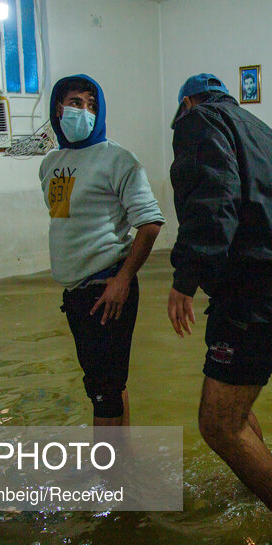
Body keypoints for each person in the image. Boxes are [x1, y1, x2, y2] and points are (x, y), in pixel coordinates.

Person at [167, 73, 272, 545]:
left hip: (251, 296)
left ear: (187, 102)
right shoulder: (264, 132)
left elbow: (213, 203)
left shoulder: (199, 121)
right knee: (234, 409)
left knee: (217, 423)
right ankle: (255, 484)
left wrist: (184, 280)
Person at [40, 74, 164, 426]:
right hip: (76, 292)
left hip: (107, 288)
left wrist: (123, 280)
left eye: (91, 105)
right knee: (108, 386)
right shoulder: (51, 164)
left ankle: (106, 478)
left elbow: (150, 223)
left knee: (103, 393)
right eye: (76, 103)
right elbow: (62, 218)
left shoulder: (118, 159)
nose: (84, 111)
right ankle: (121, 467)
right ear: (58, 108)